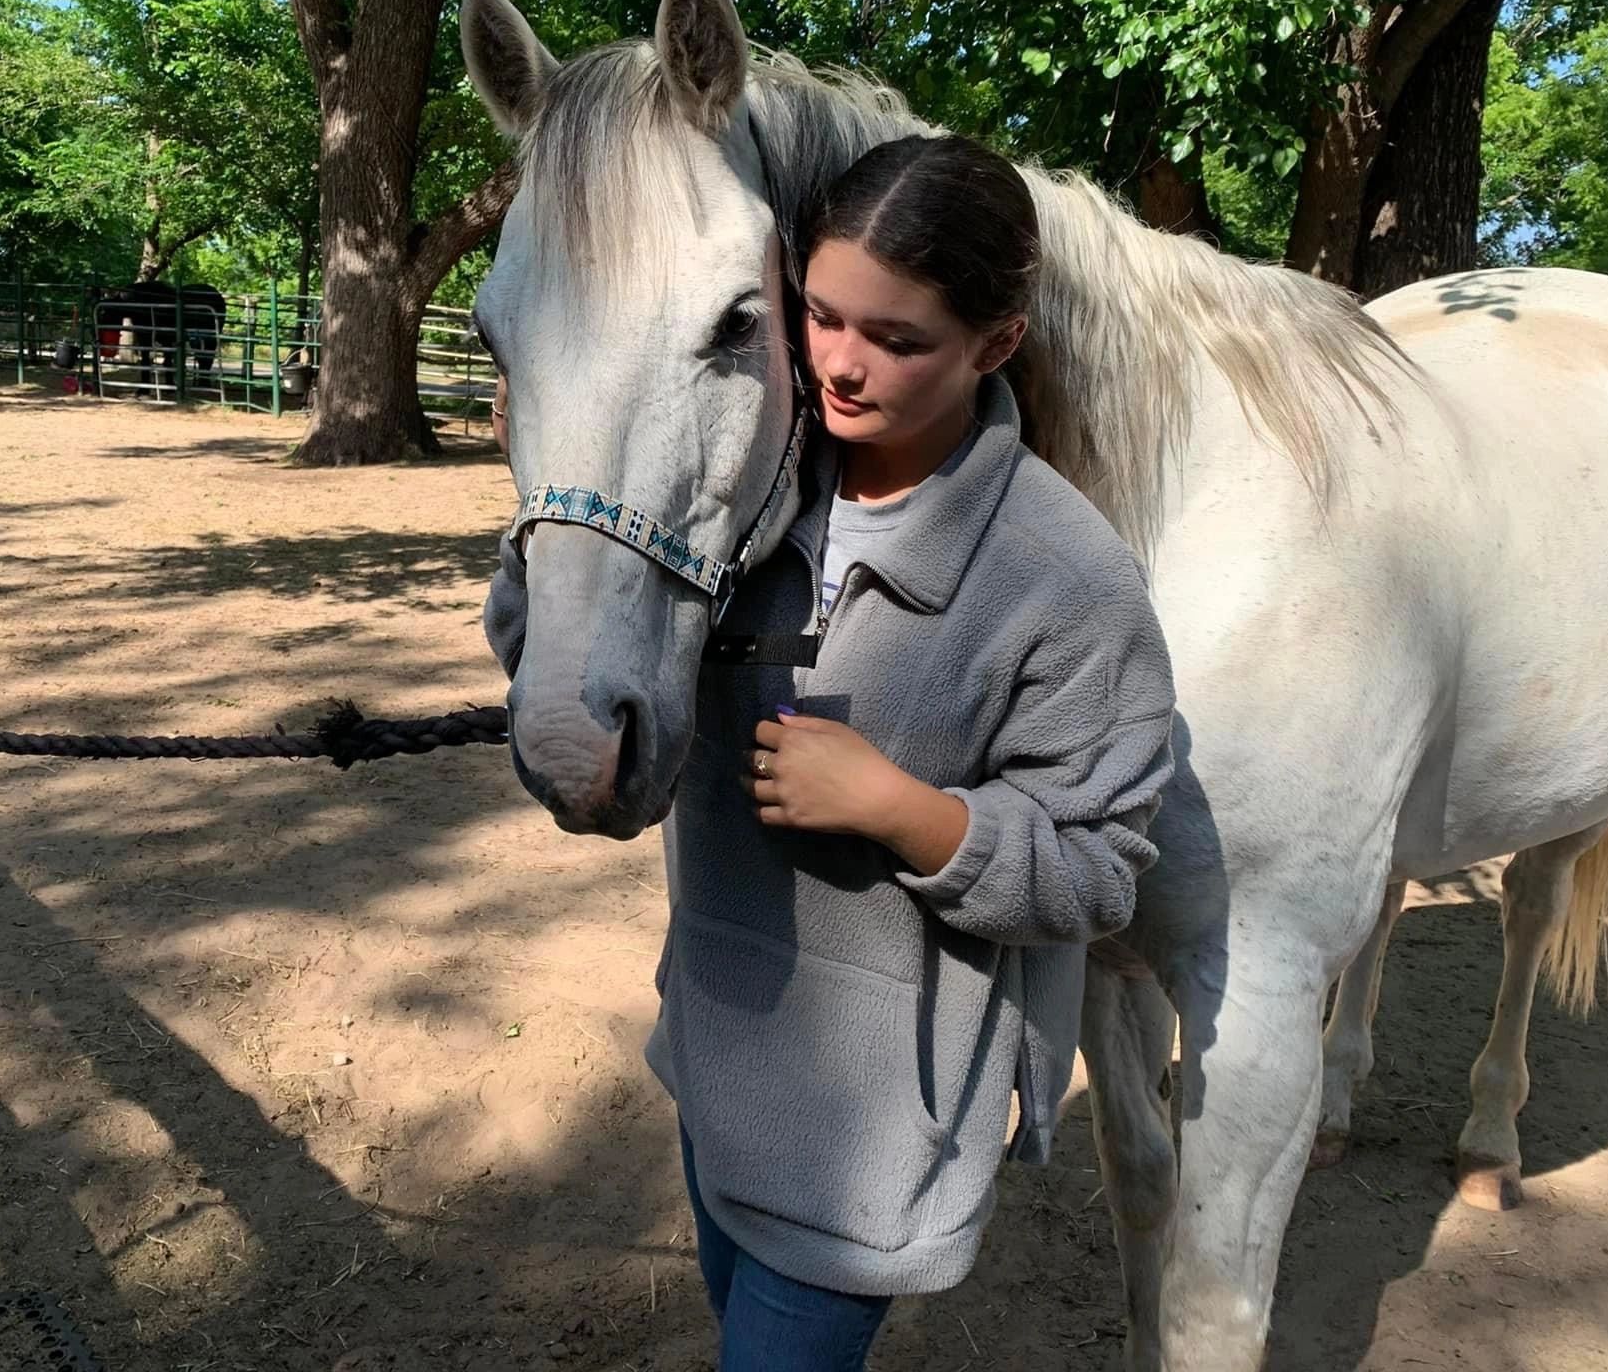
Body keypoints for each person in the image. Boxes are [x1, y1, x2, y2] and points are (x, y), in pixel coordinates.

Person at [486, 134, 1177, 1370]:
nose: (842, 366)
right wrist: (563, 537)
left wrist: (907, 812)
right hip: (717, 1064)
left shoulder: (1067, 579)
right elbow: (570, 627)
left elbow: (1095, 871)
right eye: (819, 317)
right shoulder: (752, 488)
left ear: (996, 343)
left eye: (897, 340)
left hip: (873, 1150)